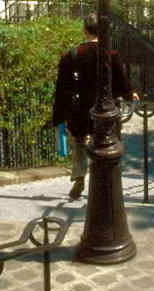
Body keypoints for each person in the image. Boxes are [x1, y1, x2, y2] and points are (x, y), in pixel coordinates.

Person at [51, 13, 135, 199]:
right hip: (104, 107)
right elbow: (121, 82)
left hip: (79, 107)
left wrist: (59, 114)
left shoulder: (71, 55)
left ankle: (79, 175)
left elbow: (62, 87)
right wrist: (130, 95)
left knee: (79, 142)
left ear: (84, 30)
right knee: (105, 143)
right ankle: (104, 182)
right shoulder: (110, 55)